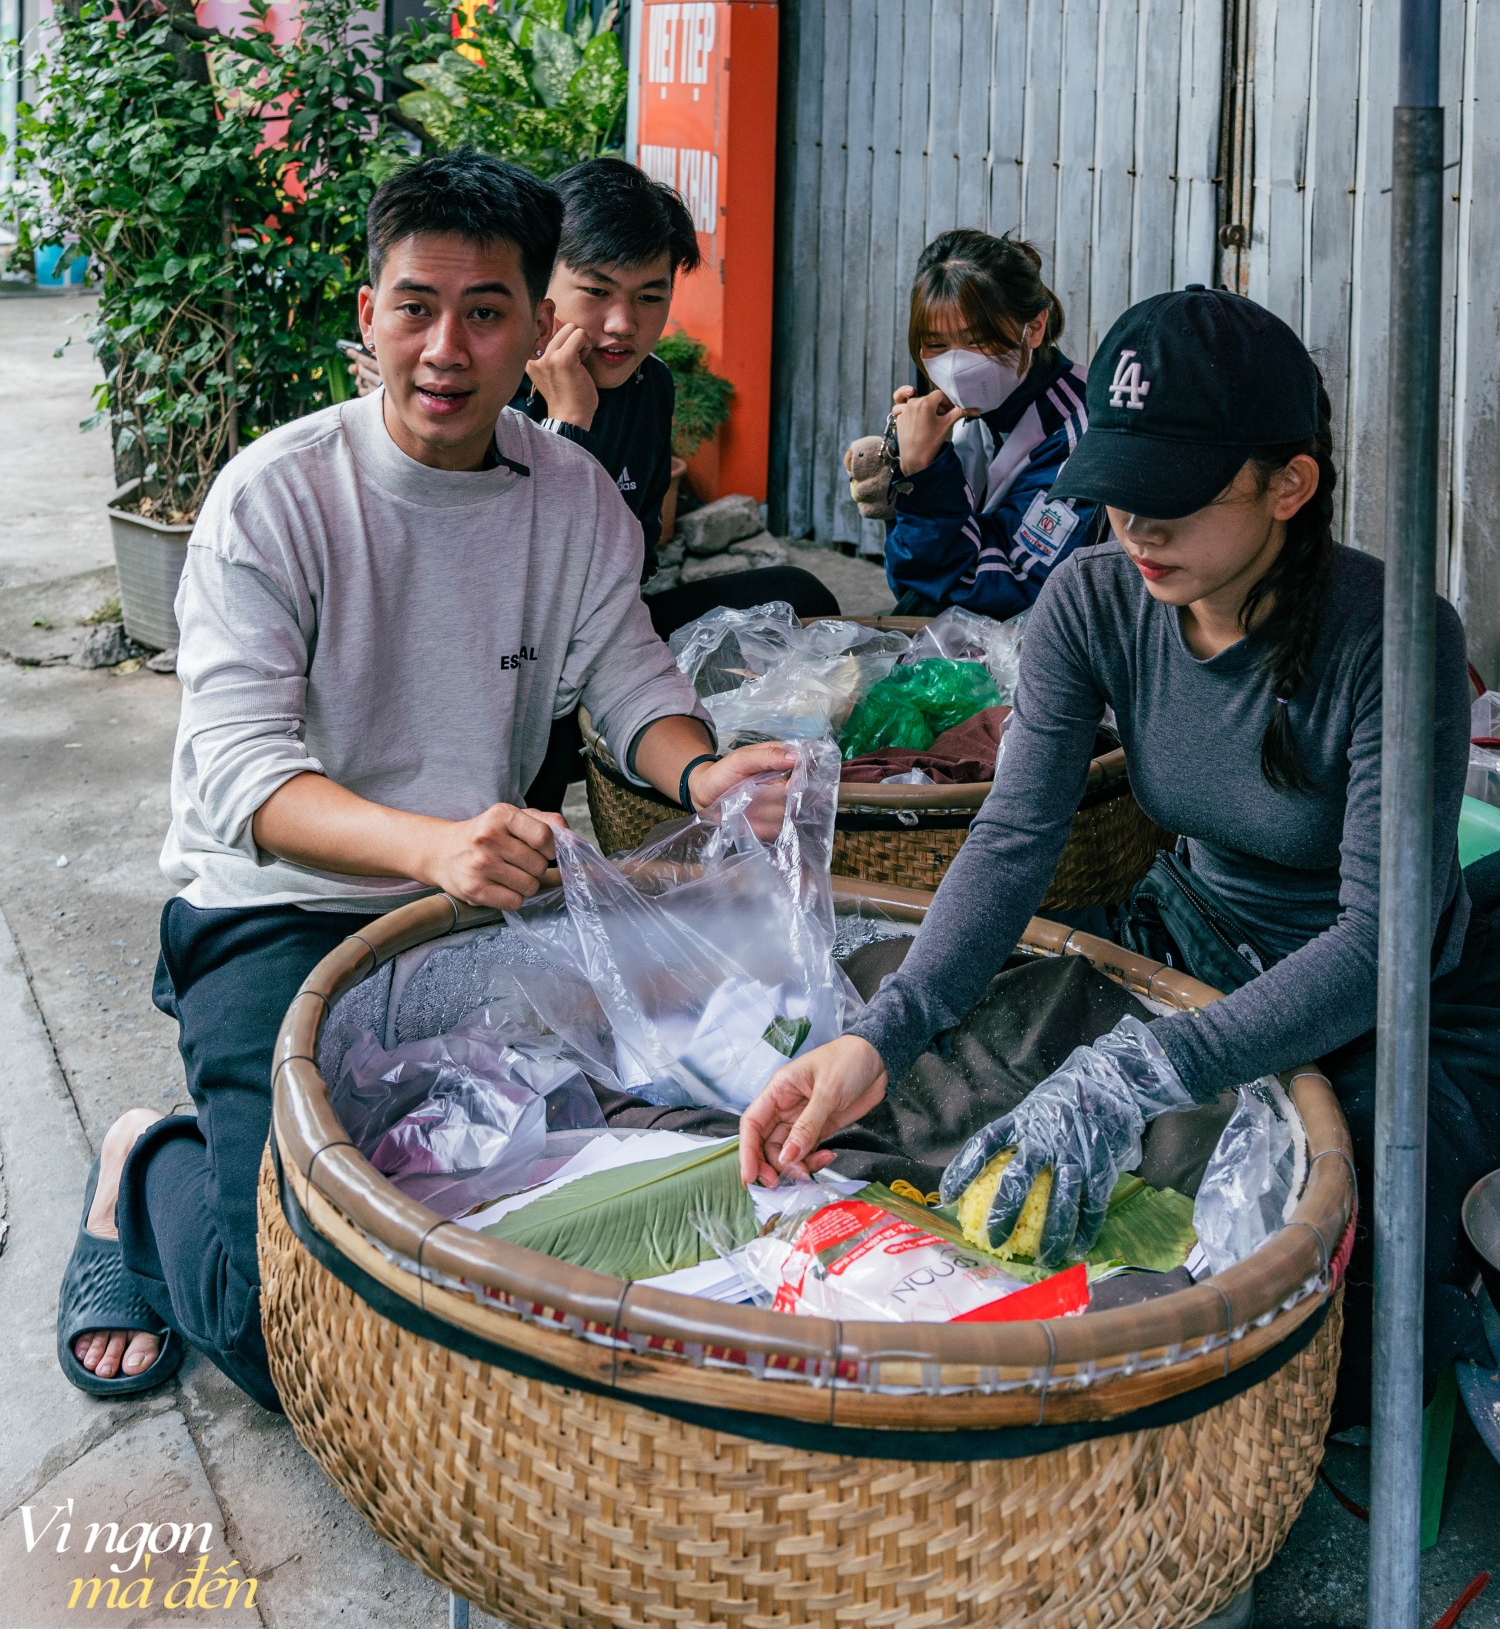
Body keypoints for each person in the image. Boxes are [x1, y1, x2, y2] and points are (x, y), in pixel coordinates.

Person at [58, 151, 792, 1408]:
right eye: (416, 306)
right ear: (369, 315)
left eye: (485, 310)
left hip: (468, 918)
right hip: (270, 913)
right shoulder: (276, 498)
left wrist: (708, 772)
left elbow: (632, 684)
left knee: (605, 1201)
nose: (446, 347)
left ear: (534, 325)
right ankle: (145, 1159)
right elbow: (241, 774)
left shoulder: (569, 500)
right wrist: (433, 846)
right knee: (278, 1329)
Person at [746, 285, 1500, 1418]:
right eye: (1117, 498)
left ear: (1288, 484)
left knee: (1327, 1277)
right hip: (1188, 939)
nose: (1134, 531)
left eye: (1171, 502)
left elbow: (1374, 941)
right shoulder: (1093, 604)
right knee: (916, 1092)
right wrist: (888, 1032)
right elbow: (1010, 842)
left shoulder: (1394, 640)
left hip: (1386, 1000)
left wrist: (1143, 1069)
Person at [348, 156, 838, 639]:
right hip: (489, 645)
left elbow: (638, 558)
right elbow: (503, 584)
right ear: (540, 289)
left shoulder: (651, 385)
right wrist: (567, 424)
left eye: (649, 297)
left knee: (799, 595)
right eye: (596, 291)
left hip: (603, 628)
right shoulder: (473, 389)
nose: (623, 324)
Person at [845, 231, 1098, 619]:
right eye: (936, 344)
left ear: (1034, 328)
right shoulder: (946, 410)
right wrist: (902, 473)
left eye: (977, 341)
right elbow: (914, 581)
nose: (955, 366)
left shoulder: (1079, 432)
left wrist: (926, 478)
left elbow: (1002, 590)